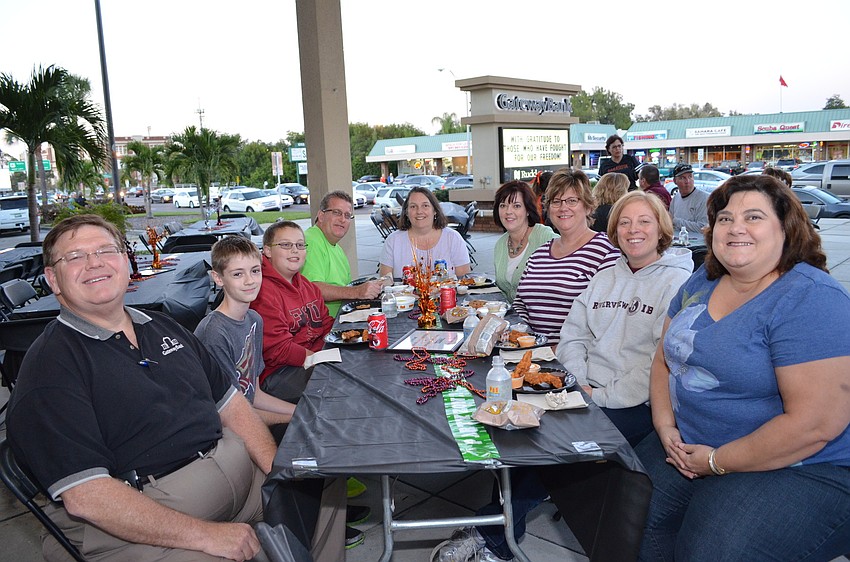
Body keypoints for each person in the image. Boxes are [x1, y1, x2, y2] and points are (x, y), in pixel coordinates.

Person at [6, 214, 277, 561]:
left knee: (318, 488)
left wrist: (277, 473)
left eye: (106, 250)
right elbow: (88, 495)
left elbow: (232, 405)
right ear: (52, 279)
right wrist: (206, 536)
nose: (94, 263)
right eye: (74, 256)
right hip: (146, 519)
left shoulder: (165, 326)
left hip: (239, 480)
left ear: (126, 261)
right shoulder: (49, 369)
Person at [636, 175, 850, 560]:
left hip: (802, 464)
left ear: (786, 228)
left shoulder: (811, 298)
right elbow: (664, 360)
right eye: (725, 218)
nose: (736, 227)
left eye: (753, 217)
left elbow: (814, 425)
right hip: (690, 441)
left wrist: (715, 461)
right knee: (626, 514)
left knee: (711, 549)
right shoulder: (703, 279)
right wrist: (665, 428)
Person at [557, 191, 692, 446]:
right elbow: (574, 337)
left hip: (635, 403)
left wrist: (600, 396)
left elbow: (662, 361)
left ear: (661, 230)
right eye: (624, 222)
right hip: (584, 390)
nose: (633, 230)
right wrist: (579, 384)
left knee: (563, 444)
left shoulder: (677, 283)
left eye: (644, 221)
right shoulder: (602, 278)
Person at [195, 236, 296, 430]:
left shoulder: (254, 319)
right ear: (218, 278)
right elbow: (232, 415)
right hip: (224, 429)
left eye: (255, 271)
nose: (250, 281)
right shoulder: (214, 334)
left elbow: (254, 394)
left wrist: (301, 411)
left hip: (248, 415)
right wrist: (298, 418)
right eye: (238, 274)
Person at [513, 169, 620, 344]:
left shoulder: (606, 251)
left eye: (572, 201)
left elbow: (608, 320)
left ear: (588, 206)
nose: (563, 208)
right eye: (556, 201)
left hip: (575, 356)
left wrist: (561, 350)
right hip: (530, 352)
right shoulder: (539, 254)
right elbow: (519, 305)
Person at [250, 220, 333, 404]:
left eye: (300, 245)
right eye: (286, 245)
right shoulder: (261, 292)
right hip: (279, 373)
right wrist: (322, 359)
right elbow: (278, 350)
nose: (295, 250)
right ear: (268, 251)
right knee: (341, 385)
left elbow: (326, 323)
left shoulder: (307, 286)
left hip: (314, 358)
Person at [301, 191, 383, 316]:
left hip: (343, 317)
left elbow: (344, 287)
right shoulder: (311, 241)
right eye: (337, 213)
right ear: (321, 216)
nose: (342, 219)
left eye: (347, 215)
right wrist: (357, 292)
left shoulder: (336, 247)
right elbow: (312, 288)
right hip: (326, 324)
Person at [379, 186, 471, 279]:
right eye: (413, 206)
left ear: (435, 210)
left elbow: (464, 280)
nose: (419, 211)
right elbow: (385, 281)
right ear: (406, 212)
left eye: (425, 206)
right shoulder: (393, 241)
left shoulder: (453, 238)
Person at [492, 180, 557, 302]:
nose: (508, 211)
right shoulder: (500, 244)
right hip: (510, 313)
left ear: (527, 210)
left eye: (516, 206)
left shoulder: (544, 237)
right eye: (503, 205)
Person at [668, 162, 709, 239]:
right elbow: (669, 223)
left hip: (698, 244)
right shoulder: (675, 199)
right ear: (675, 181)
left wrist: (675, 221)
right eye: (682, 178)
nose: (687, 181)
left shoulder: (704, 199)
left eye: (690, 177)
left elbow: (703, 227)